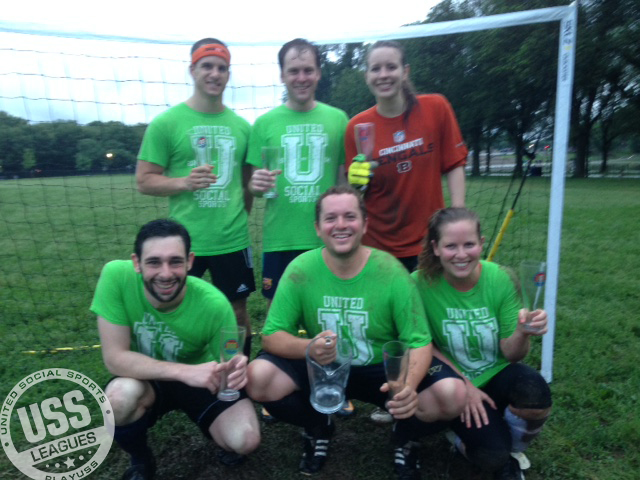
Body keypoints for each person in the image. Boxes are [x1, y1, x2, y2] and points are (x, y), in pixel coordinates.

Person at [246, 185, 467, 479]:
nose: (340, 225)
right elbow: (271, 335)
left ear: (365, 224)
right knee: (259, 378)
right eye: (330, 218)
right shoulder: (300, 269)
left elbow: (418, 340)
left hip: (382, 370)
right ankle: (317, 426)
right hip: (324, 367)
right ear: (317, 228)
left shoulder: (391, 271)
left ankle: (406, 435)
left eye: (350, 216)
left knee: (451, 395)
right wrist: (309, 347)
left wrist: (409, 386)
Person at [91, 219, 260, 480]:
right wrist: (183, 372)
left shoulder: (215, 304)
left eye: (175, 262)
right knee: (117, 400)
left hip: (202, 379)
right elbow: (114, 358)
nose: (166, 273)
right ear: (137, 263)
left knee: (245, 440)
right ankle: (141, 458)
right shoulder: (116, 276)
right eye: (154, 262)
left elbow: (229, 358)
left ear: (190, 261)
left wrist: (236, 366)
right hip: (144, 377)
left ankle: (214, 425)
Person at [246, 38, 352, 418]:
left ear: (319, 73)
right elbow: (253, 183)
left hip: (326, 238)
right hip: (281, 238)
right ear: (282, 75)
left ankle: (334, 386)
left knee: (330, 318)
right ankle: (283, 387)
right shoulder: (264, 124)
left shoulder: (338, 119)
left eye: (308, 70)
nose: (301, 77)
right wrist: (255, 184)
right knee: (281, 321)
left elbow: (344, 180)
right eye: (294, 70)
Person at [411, 207, 552, 480]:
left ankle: (512, 449)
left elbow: (512, 355)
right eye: (451, 246)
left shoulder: (500, 278)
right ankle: (463, 436)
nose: (461, 254)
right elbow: (422, 345)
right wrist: (465, 385)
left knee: (534, 392)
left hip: (496, 374)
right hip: (451, 384)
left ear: (482, 243)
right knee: (491, 457)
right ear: (436, 248)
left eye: (469, 244)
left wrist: (522, 332)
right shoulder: (419, 284)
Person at [136, 38, 255, 355]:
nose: (215, 74)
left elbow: (247, 187)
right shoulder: (167, 123)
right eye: (207, 66)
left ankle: (236, 372)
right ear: (192, 70)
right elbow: (144, 180)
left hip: (231, 239)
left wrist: (236, 218)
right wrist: (184, 182)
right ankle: (170, 373)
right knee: (172, 308)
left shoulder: (243, 127)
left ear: (228, 74)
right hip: (184, 241)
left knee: (236, 314)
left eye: (222, 68)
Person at [345, 40, 468, 273]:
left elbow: (454, 164)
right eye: (375, 69)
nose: (383, 75)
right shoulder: (358, 127)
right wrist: (356, 183)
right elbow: (355, 193)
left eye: (391, 67)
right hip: (377, 247)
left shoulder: (436, 107)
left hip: (430, 241)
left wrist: (458, 218)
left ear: (405, 71)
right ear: (366, 76)